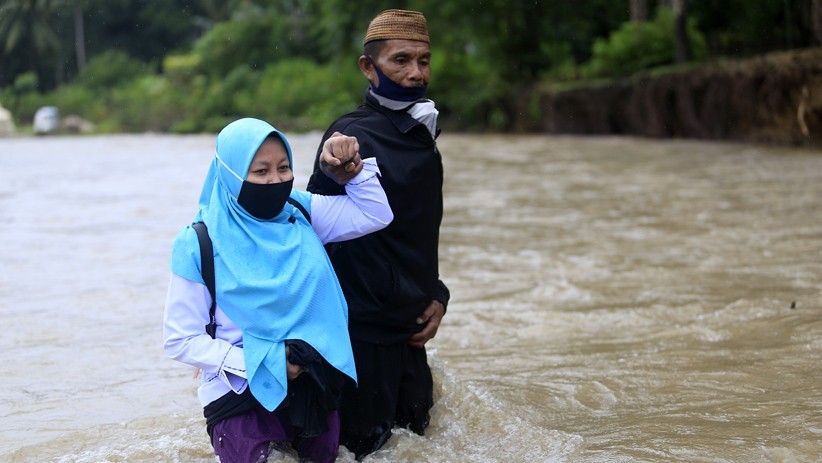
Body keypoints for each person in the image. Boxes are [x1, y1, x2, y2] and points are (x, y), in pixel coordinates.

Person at [163, 117, 393, 463]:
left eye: (283, 168)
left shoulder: (298, 212)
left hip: (314, 384)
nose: (275, 180)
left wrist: (352, 171)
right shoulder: (198, 243)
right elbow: (180, 339)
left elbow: (374, 213)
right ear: (231, 174)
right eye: (261, 171)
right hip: (239, 396)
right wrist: (263, 361)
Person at [306, 9, 449, 460]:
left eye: (423, 61)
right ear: (368, 68)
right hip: (362, 335)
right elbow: (312, 229)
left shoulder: (421, 132)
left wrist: (437, 293)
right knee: (363, 451)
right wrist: (335, 164)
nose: (415, 73)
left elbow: (416, 230)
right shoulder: (352, 135)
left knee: (419, 444)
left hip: (411, 328)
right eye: (400, 60)